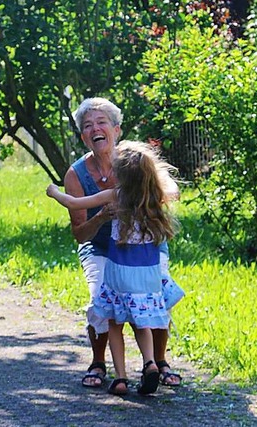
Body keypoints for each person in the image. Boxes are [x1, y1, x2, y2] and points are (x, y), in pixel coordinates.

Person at [60, 97, 184, 389]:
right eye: (88, 126)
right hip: (101, 246)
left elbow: (169, 188)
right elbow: (80, 234)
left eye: (101, 122)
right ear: (83, 137)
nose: (95, 129)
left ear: (116, 129)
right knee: (100, 299)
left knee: (156, 296)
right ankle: (99, 362)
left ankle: (158, 362)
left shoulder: (135, 162)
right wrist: (102, 217)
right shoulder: (76, 175)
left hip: (144, 249)